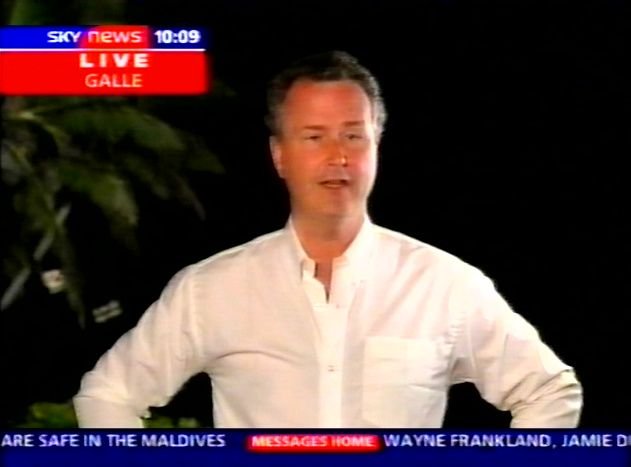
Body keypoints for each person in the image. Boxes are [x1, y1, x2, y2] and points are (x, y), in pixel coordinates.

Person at [73, 50, 582, 428]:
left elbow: (547, 390)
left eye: (354, 136)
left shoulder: (444, 283)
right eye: (314, 137)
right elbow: (108, 395)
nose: (337, 156)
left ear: (376, 146)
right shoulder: (211, 288)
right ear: (279, 155)